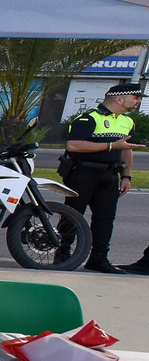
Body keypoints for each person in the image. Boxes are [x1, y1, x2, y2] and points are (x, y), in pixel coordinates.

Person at [60, 82, 142, 274]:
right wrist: (111, 145)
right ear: (120, 99)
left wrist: (126, 176)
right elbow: (74, 146)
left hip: (109, 175)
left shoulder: (127, 122)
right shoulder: (88, 118)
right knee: (73, 214)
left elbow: (126, 150)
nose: (138, 101)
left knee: (105, 218)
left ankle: (98, 259)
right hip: (83, 173)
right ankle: (63, 254)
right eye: (135, 98)